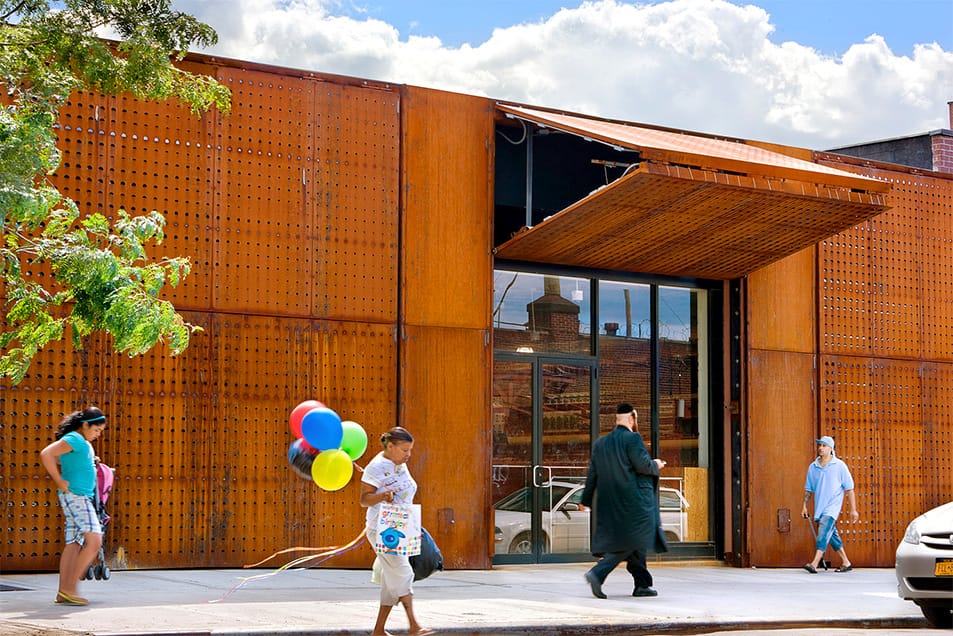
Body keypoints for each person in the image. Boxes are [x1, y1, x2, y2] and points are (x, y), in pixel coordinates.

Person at [581, 403, 668, 599]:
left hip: (609, 503)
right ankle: (598, 573)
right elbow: (643, 466)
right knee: (631, 541)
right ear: (632, 418)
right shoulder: (633, 438)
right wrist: (656, 464)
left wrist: (585, 500)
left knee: (636, 543)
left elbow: (592, 475)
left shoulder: (600, 444)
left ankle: (643, 585)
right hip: (633, 503)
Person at [359, 426, 433, 636]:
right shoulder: (375, 467)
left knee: (391, 579)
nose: (408, 455)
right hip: (383, 530)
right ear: (390, 446)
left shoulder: (398, 463)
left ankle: (379, 630)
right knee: (403, 572)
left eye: (410, 450)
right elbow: (363, 500)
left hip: (401, 526)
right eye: (404, 450)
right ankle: (413, 625)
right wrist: (382, 497)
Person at [38, 406, 108, 606]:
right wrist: (59, 480)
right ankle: (71, 588)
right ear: (85, 425)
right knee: (94, 541)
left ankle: (63, 592)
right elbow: (47, 454)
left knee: (74, 543)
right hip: (77, 497)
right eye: (96, 430)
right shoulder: (75, 439)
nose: (98, 434)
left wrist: (90, 462)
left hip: (77, 496)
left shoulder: (80, 442)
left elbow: (65, 459)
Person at [801, 435, 859, 573]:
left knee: (823, 531)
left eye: (824, 446)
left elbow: (849, 489)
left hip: (832, 507)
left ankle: (814, 564)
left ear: (831, 449)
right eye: (819, 445)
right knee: (831, 534)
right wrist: (804, 505)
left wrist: (853, 510)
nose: (820, 448)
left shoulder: (839, 466)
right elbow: (809, 489)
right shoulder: (813, 467)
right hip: (819, 506)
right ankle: (846, 562)